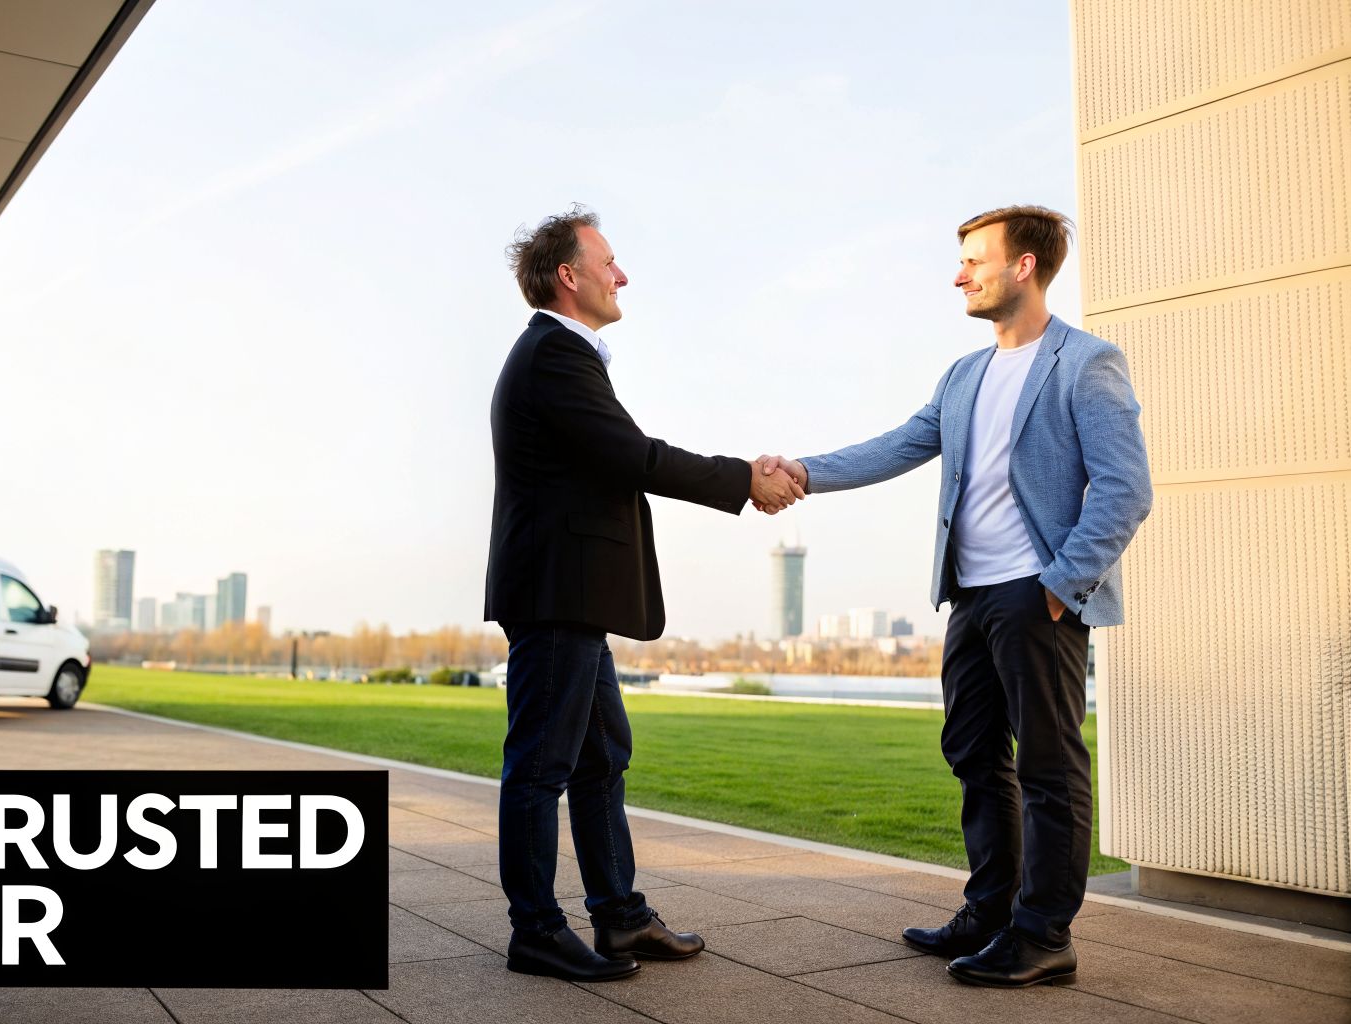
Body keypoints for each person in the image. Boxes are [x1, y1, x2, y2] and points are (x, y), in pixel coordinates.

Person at [757, 205, 1151, 988]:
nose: (959, 275)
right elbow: (899, 444)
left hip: (1036, 595)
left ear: (1024, 266)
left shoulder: (1085, 363)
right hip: (970, 595)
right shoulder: (965, 374)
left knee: (1048, 768)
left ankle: (1044, 935)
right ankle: (990, 912)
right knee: (973, 752)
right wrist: (801, 471)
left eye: (975, 259)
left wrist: (1059, 586)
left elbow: (1125, 488)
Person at [485, 206, 803, 982]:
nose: (621, 275)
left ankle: (621, 919)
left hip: (573, 598)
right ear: (569, 276)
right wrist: (744, 479)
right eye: (609, 262)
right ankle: (536, 931)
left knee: (600, 759)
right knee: (540, 767)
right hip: (556, 595)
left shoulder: (565, 356)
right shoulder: (555, 355)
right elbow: (635, 457)